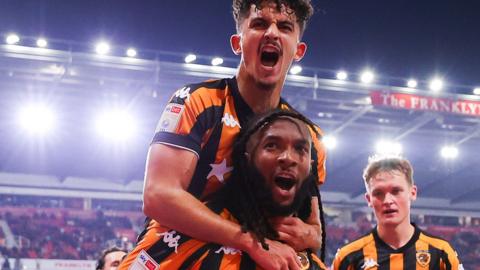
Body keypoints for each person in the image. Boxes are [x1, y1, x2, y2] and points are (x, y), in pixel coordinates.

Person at [120, 1, 327, 270]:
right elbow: (158, 196)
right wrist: (251, 241)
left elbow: (314, 228)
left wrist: (310, 235)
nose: (272, 33)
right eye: (259, 23)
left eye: (285, 27)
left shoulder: (307, 136)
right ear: (237, 43)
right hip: (171, 259)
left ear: (298, 50)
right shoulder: (197, 101)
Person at [121, 110, 326, 269]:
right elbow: (157, 196)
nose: (288, 158)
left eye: (300, 149)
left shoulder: (310, 261)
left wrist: (315, 234)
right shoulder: (179, 241)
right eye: (272, 146)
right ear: (247, 160)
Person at [331, 156, 463, 269]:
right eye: (378, 193)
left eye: (396, 191)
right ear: (369, 199)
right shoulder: (348, 257)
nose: (388, 200)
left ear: (412, 193)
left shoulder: (441, 253)